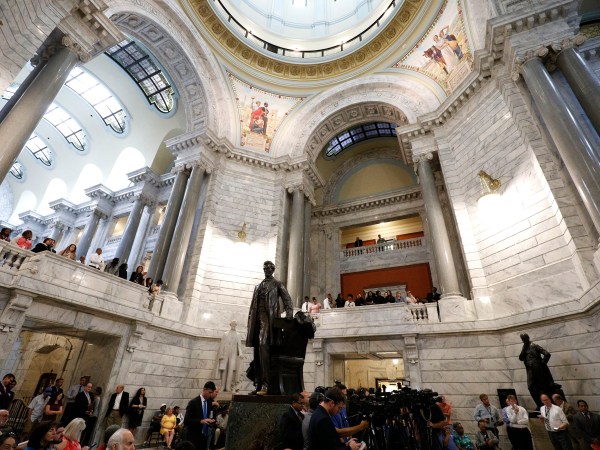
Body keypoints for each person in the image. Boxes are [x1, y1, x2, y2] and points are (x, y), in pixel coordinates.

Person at [245, 261, 293, 395]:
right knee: (257, 351)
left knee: (262, 346)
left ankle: (267, 383)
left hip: (269, 320)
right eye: (265, 268)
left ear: (273, 269)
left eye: (269, 268)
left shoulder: (277, 284)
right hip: (256, 320)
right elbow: (252, 306)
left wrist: (289, 313)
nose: (266, 270)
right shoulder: (258, 286)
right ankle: (259, 383)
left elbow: (287, 300)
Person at [519, 333, 558, 408]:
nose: (523, 340)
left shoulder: (534, 345)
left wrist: (542, 364)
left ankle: (544, 404)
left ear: (527, 338)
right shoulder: (525, 347)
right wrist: (524, 348)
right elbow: (521, 358)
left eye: (524, 339)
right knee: (531, 387)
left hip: (537, 368)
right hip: (530, 369)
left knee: (541, 386)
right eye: (522, 339)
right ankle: (539, 404)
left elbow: (547, 354)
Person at [183, 381, 217, 450]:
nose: (210, 395)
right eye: (210, 392)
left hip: (204, 437)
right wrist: (201, 421)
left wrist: (212, 421)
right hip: (193, 437)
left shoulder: (209, 402)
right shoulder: (193, 402)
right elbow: (186, 421)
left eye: (212, 393)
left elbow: (209, 416)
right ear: (204, 389)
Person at [214, 320, 243, 392]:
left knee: (231, 369)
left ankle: (228, 386)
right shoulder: (225, 334)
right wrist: (221, 354)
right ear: (230, 324)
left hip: (233, 353)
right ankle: (223, 386)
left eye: (235, 324)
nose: (233, 325)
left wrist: (241, 353)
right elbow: (222, 345)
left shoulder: (238, 334)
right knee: (224, 369)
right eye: (232, 324)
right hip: (225, 352)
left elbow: (239, 345)